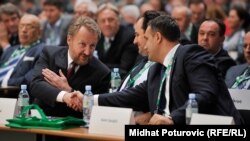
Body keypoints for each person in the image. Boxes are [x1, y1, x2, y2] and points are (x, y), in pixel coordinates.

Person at [73, 15, 243, 125]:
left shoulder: (191, 54)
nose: (142, 43)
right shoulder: (156, 69)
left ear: (157, 37)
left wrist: (172, 119)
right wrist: (89, 99)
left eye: (146, 38)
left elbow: (205, 94)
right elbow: (129, 96)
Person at [30, 16, 110, 118]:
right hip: (41, 120)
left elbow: (95, 111)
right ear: (69, 39)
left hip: (75, 128)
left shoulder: (102, 73)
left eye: (92, 46)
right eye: (82, 44)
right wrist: (65, 96)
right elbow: (35, 85)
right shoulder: (50, 54)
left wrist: (68, 90)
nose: (87, 52)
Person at [0, 14, 44, 90]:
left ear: (39, 32)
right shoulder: (10, 50)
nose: (23, 30)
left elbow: (29, 80)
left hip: (16, 94)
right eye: (21, 26)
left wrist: (4, 82)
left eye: (29, 26)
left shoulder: (43, 50)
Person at [95, 3, 138, 77]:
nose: (107, 24)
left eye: (110, 20)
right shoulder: (96, 36)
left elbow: (124, 68)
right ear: (97, 23)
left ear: (118, 20)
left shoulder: (129, 37)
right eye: (102, 20)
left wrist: (95, 66)